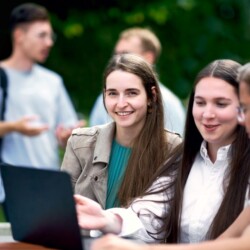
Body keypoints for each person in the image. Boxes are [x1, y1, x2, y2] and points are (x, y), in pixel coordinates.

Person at [74, 59, 250, 245]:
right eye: (200, 103)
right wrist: (106, 219)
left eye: (221, 104)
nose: (207, 114)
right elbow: (150, 213)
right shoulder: (181, 159)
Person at [61, 53, 182, 211]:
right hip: (85, 236)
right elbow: (61, 210)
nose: (121, 103)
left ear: (151, 96)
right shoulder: (79, 143)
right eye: (112, 93)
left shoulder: (173, 149)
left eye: (132, 93)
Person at [0, 3, 83, 201]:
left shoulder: (53, 81)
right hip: (12, 186)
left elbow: (66, 130)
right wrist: (14, 127)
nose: (49, 43)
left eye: (50, 36)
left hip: (50, 182)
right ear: (19, 36)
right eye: (42, 35)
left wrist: (67, 136)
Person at [89, 27, 186, 135]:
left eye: (125, 54)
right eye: (116, 55)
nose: (118, 59)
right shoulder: (103, 100)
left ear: (148, 58)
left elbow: (177, 149)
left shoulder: (168, 103)